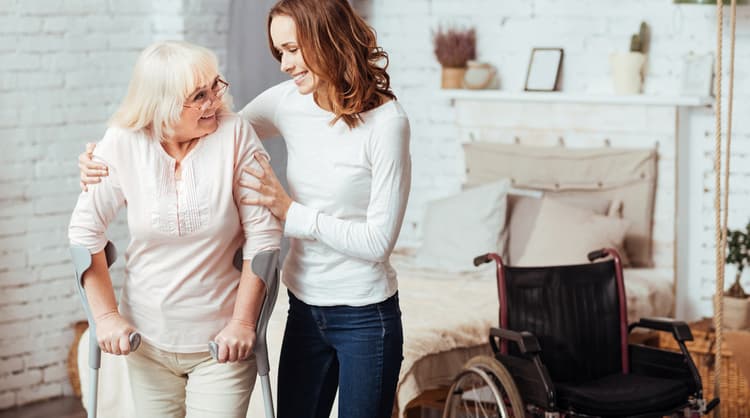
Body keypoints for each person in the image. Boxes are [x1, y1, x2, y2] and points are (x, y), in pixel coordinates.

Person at [78, 1, 411, 417]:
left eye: (291, 48)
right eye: (280, 53)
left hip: (365, 312)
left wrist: (290, 213)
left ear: (327, 38)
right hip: (304, 306)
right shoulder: (288, 101)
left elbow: (378, 242)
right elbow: (217, 129)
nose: (285, 64)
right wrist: (107, 156)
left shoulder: (387, 123)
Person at [69, 40, 282, 418]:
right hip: (146, 341)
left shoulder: (235, 135)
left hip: (222, 344)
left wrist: (244, 323)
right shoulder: (122, 142)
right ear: (161, 105)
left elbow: (263, 239)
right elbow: (85, 235)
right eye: (198, 95)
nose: (213, 101)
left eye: (215, 86)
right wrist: (105, 318)